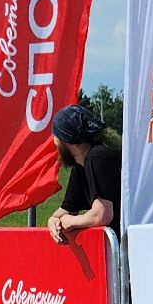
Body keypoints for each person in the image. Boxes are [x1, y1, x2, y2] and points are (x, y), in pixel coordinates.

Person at [47, 103, 121, 244]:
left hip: (127, 249)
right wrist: (54, 220)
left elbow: (102, 214)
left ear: (68, 141)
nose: (54, 142)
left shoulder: (97, 157)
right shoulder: (80, 165)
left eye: (56, 137)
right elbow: (66, 209)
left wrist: (71, 221)